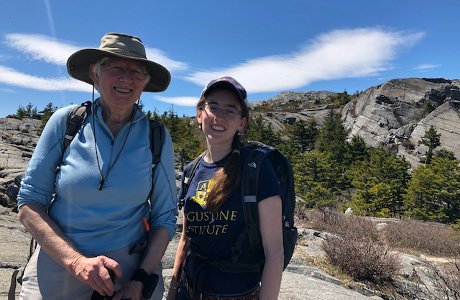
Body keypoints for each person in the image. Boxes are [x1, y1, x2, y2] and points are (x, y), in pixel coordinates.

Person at [17, 32, 177, 300]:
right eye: (116, 68)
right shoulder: (66, 122)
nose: (127, 79)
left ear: (144, 83)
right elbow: (29, 203)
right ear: (95, 74)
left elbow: (165, 218)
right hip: (59, 262)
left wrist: (140, 280)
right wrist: (76, 262)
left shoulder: (156, 136)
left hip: (128, 271)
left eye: (136, 71)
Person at [167, 77, 284, 300]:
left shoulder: (257, 169)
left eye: (230, 110)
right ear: (200, 114)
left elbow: (275, 252)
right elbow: (185, 239)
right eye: (213, 107)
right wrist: (172, 293)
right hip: (188, 291)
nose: (219, 116)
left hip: (234, 294)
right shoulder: (191, 171)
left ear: (242, 122)